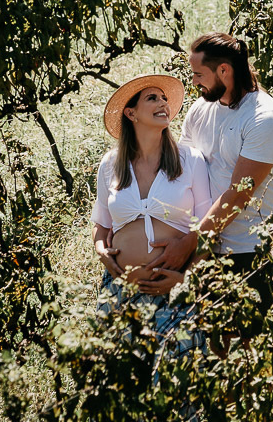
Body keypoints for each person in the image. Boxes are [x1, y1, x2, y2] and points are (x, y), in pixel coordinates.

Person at [136, 33, 273, 331]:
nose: (194, 82)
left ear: (224, 70)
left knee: (245, 341)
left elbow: (238, 195)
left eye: (198, 74)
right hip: (206, 245)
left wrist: (188, 244)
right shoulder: (200, 110)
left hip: (251, 248)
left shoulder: (264, 118)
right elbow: (183, 173)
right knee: (207, 340)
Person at [90, 73, 212, 356]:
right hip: (121, 291)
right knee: (118, 376)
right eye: (152, 98)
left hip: (175, 289)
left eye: (164, 98)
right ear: (131, 113)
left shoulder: (190, 160)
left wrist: (186, 280)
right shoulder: (110, 164)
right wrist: (101, 252)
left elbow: (208, 229)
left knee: (177, 375)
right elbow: (101, 224)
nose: (163, 104)